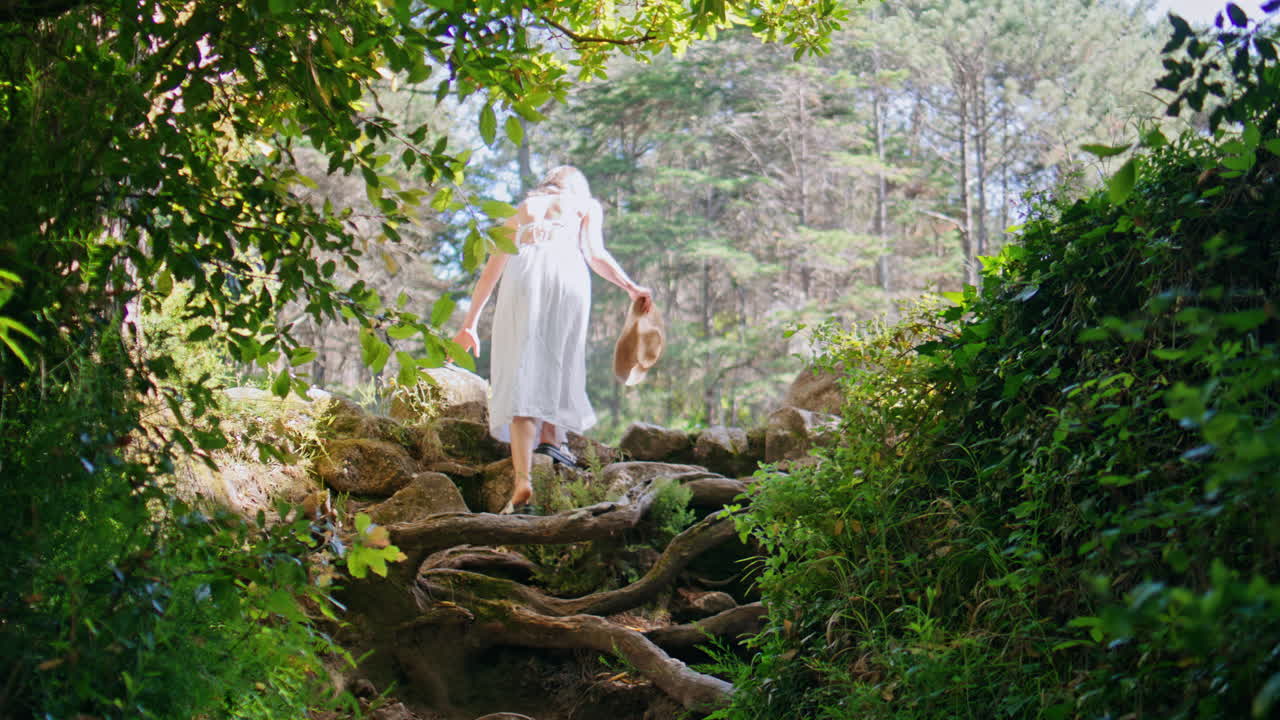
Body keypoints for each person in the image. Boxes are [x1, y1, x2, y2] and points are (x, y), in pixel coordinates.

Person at [453, 166, 652, 514]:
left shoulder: (523, 208)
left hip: (522, 278)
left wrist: (469, 323)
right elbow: (595, 255)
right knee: (560, 353)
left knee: (520, 366)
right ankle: (551, 439)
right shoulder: (584, 204)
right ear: (576, 185)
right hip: (566, 272)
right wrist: (631, 287)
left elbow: (492, 269)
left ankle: (523, 479)